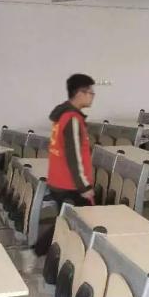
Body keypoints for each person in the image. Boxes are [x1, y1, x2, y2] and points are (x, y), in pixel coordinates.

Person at [46, 73, 96, 208]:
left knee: (65, 220)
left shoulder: (63, 115)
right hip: (70, 185)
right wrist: (84, 187)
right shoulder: (72, 119)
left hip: (58, 180)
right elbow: (73, 155)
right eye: (91, 93)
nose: (92, 96)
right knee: (84, 219)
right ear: (80, 93)